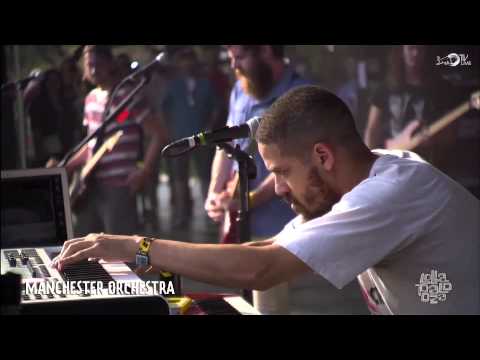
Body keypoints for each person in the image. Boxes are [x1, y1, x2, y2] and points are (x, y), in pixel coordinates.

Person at [52, 86, 479, 315]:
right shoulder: (368, 177)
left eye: (280, 172)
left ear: (322, 156)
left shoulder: (390, 193)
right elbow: (266, 250)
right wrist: (141, 259)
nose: (275, 189)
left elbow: (263, 269)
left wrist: (135, 247)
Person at [205, 45, 310, 244]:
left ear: (265, 51)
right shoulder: (240, 88)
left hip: (282, 227)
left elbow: (293, 161)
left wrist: (248, 200)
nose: (234, 65)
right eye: (231, 58)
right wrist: (214, 193)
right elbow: (226, 142)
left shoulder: (301, 95)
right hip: (237, 225)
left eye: (240, 57)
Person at [60, 45, 166, 236]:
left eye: (98, 64)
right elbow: (91, 145)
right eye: (89, 65)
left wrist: (145, 170)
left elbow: (159, 134)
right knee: (83, 240)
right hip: (89, 185)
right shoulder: (91, 98)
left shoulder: (127, 94)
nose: (93, 70)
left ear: (110, 64)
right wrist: (66, 166)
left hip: (119, 185)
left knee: (121, 246)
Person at [364, 45, 456, 172]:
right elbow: (372, 130)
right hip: (393, 167)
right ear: (401, 51)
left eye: (420, 49)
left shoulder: (442, 87)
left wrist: (434, 139)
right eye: (411, 48)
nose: (415, 53)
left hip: (429, 168)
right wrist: (368, 166)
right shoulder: (385, 88)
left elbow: (451, 135)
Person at [162, 47, 220, 228]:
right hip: (179, 137)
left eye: (190, 60)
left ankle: (210, 214)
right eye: (183, 61)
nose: (187, 65)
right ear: (179, 65)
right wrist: (169, 129)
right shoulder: (173, 85)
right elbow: (164, 108)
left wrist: (210, 124)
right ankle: (182, 216)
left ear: (195, 63)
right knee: (180, 178)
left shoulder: (206, 84)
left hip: (202, 137)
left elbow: (217, 106)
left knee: (205, 176)